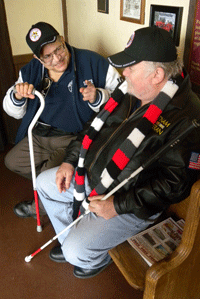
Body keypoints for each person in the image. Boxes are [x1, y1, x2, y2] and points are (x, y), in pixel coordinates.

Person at [36, 26, 200, 279]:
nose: (124, 74)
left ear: (157, 75)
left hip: (129, 201)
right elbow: (92, 129)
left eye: (131, 68)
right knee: (43, 183)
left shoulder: (188, 118)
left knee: (75, 254)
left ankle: (92, 255)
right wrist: (69, 162)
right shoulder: (130, 92)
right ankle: (73, 235)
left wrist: (118, 205)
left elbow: (174, 185)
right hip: (90, 174)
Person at [3, 22, 121, 218]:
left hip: (73, 138)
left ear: (63, 39)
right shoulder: (30, 71)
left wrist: (98, 96)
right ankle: (54, 193)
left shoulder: (92, 61)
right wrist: (17, 96)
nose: (57, 58)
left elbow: (121, 98)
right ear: (37, 58)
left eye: (59, 49)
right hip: (39, 134)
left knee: (48, 176)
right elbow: (13, 111)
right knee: (11, 161)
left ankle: (41, 205)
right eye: (47, 56)